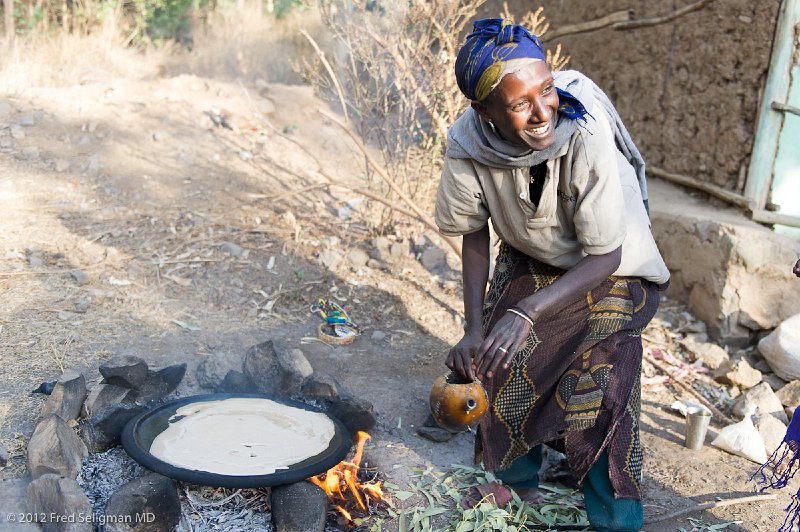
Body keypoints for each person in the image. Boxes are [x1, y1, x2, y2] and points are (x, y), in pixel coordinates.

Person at [434, 18, 671, 532]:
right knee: (497, 351)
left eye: (547, 91)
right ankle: (516, 485)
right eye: (521, 104)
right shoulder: (468, 143)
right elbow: (474, 234)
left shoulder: (584, 130)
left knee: (603, 377)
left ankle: (616, 519)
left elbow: (606, 256)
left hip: (617, 270)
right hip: (536, 260)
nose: (543, 112)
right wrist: (475, 326)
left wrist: (528, 310)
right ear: (485, 111)